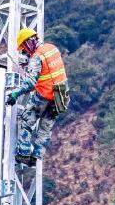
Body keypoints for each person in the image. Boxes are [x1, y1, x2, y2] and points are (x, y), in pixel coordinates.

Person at [5, 28, 68, 166]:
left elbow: (30, 82)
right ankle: (36, 156)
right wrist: (30, 64)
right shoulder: (52, 48)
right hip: (59, 98)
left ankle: (23, 153)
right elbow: (49, 69)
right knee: (45, 127)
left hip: (43, 96)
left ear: (28, 43)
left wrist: (16, 93)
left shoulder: (36, 57)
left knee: (26, 121)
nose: (25, 51)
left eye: (24, 48)